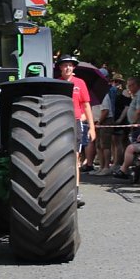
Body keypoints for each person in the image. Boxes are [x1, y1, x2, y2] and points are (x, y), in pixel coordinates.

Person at [56, 55, 95, 207]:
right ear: (60, 67)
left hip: (76, 123)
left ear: (73, 68)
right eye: (65, 65)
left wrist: (92, 127)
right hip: (60, 122)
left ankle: (76, 192)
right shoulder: (57, 83)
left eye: (70, 65)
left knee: (75, 157)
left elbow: (86, 106)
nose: (68, 68)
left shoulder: (80, 83)